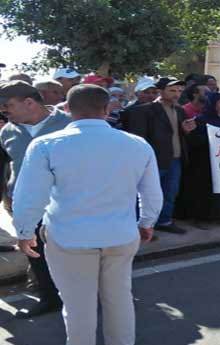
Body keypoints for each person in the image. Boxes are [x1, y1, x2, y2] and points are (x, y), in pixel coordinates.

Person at [13, 84, 162, 345]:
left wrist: (25, 232)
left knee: (78, 307)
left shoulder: (45, 145)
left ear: (67, 109)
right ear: (107, 109)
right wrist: (147, 222)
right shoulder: (137, 144)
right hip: (120, 235)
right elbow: (152, 193)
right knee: (119, 300)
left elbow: (29, 196)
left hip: (69, 238)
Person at [0, 80, 71, 319]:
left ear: (29, 102)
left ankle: (84, 299)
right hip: (28, 206)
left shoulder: (69, 125)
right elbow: (7, 165)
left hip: (66, 205)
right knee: (37, 255)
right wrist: (7, 195)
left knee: (73, 255)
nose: (3, 111)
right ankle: (49, 298)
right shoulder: (7, 130)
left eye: (6, 105)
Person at [126, 77, 196, 234]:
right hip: (153, 160)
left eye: (179, 91)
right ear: (161, 91)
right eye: (172, 90)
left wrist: (186, 131)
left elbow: (181, 135)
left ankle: (164, 221)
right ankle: (140, 227)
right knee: (145, 195)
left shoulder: (180, 110)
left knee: (170, 192)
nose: (176, 94)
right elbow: (138, 139)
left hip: (175, 159)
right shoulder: (144, 110)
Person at [178, 92, 220, 225]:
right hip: (204, 161)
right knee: (204, 190)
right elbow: (194, 140)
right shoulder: (201, 119)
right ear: (212, 104)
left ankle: (219, 216)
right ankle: (201, 219)